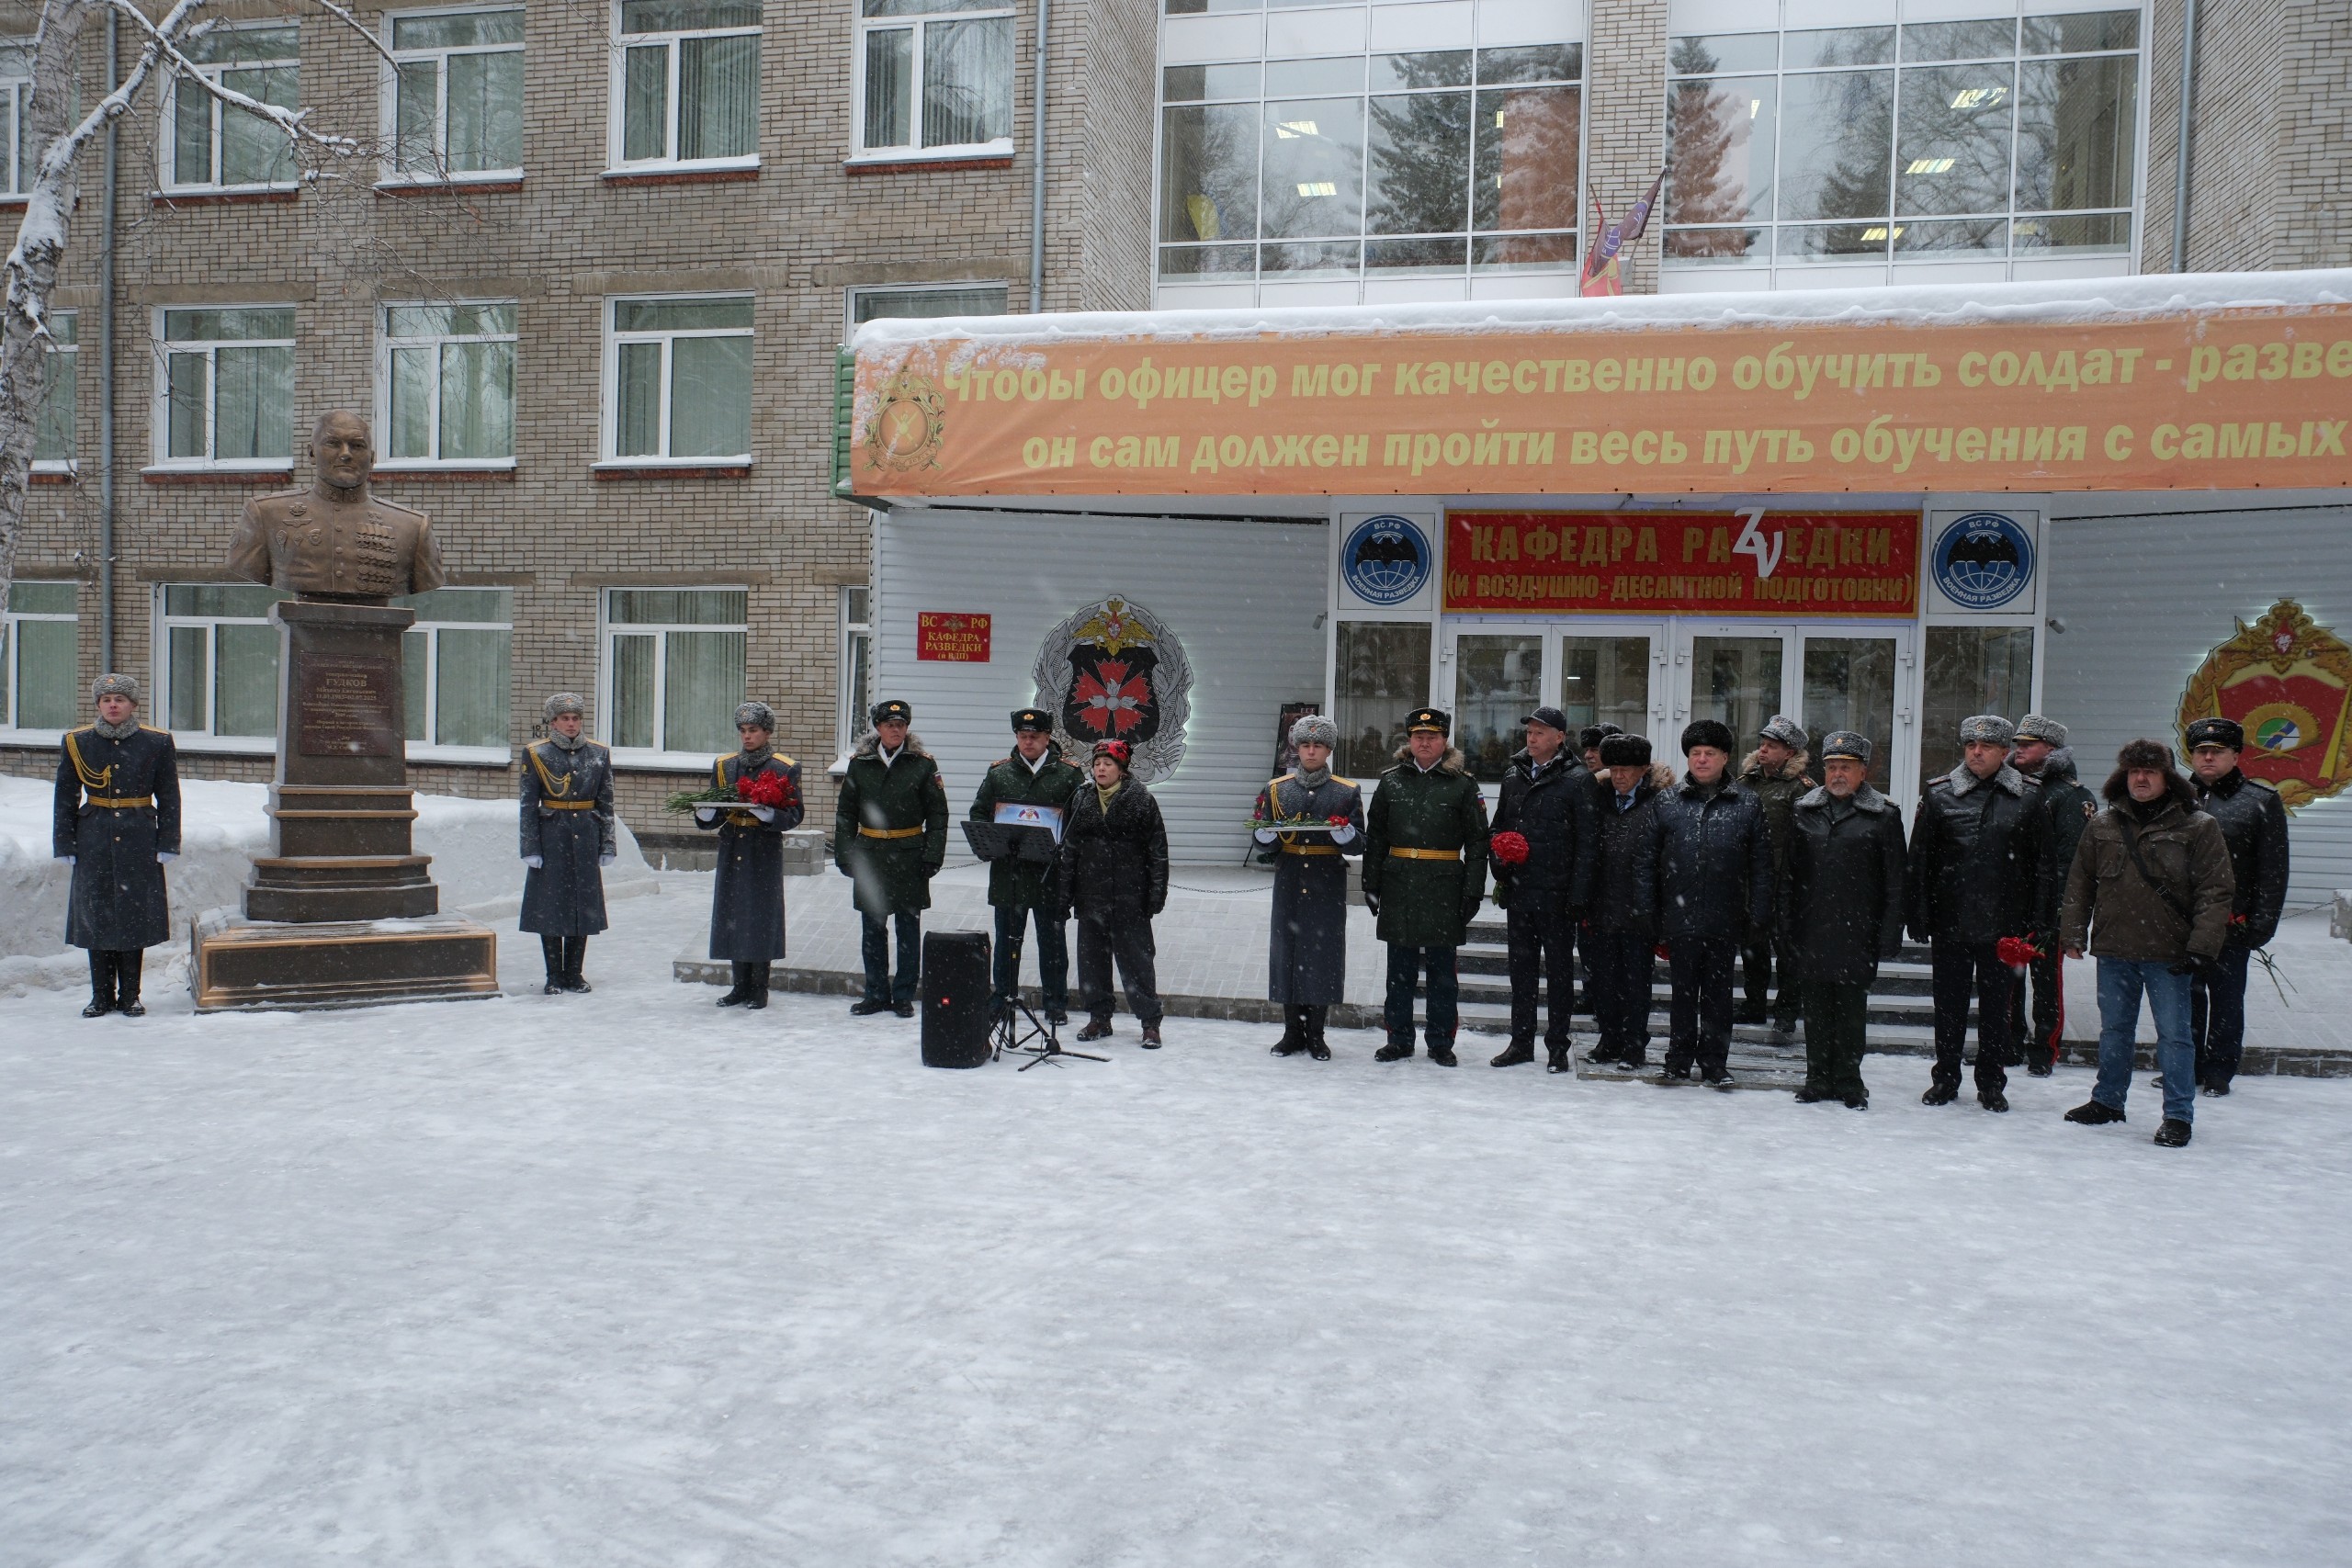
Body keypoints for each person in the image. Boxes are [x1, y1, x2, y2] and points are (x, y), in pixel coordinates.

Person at [2060, 739, 2235, 1148]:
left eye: (2150, 771)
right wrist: (2073, 933)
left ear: (2168, 778)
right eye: (2134, 771)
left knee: (2175, 1036)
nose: (2140, 778)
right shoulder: (2102, 824)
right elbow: (2080, 883)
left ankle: (2177, 1115)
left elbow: (2216, 891)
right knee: (2114, 1031)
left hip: (2170, 953)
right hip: (2114, 949)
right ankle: (2107, 1101)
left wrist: (2202, 946)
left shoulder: (2198, 825)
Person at [1906, 715, 2041, 1111]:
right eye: (1970, 746)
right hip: (1951, 919)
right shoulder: (1940, 794)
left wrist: (2039, 919)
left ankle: (1992, 1082)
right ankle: (1945, 1077)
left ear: (2004, 753)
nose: (1976, 753)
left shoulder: (2028, 796)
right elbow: (1921, 860)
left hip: (2005, 923)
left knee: (1997, 1010)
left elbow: (2042, 864)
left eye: (1986, 747)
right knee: (1949, 1006)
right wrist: (1918, 914)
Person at [1782, 731, 1906, 1109]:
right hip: (1812, 928)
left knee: (1852, 1012)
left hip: (1859, 930)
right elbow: (1789, 875)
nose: (1838, 774)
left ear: (1862, 772)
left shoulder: (1883, 816)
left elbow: (1895, 880)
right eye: (1832, 767)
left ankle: (1850, 1081)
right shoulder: (1804, 811)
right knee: (1816, 1010)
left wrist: (1890, 931)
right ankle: (1817, 1078)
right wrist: (1784, 924)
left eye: (1846, 767)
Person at [1362, 707, 1490, 1066]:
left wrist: (1473, 891)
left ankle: (1440, 1042)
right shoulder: (1392, 781)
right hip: (1399, 885)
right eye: (1418, 736)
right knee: (1399, 973)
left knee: (1442, 975)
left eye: (1432, 737)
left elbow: (1478, 842)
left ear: (1445, 741)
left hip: (1444, 888)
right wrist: (1370, 883)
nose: (1425, 743)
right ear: (1409, 740)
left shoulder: (1463, 784)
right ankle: (1399, 1039)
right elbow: (1376, 836)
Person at [1649, 719, 1771, 1086]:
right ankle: (1678, 1060)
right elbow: (1647, 861)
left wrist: (1759, 913)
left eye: (1710, 753)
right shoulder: (1667, 801)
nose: (1702, 760)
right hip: (1680, 915)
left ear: (1725, 758)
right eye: (1695, 753)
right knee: (1683, 994)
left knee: (1719, 995)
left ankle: (1715, 1063)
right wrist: (1649, 909)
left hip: (1725, 915)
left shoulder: (1747, 803)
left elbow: (1761, 866)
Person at [52, 674, 181, 1018]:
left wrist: (168, 840)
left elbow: (169, 794)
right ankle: (100, 996)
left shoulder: (157, 742)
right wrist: (64, 842)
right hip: (93, 837)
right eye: (106, 699)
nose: (112, 705)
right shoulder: (77, 741)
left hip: (140, 837)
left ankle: (130, 996)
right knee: (97, 917)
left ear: (133, 705)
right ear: (98, 704)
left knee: (133, 918)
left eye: (120, 699)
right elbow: (65, 795)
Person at [1487, 705, 1599, 1071]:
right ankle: (1520, 1043)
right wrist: (1500, 860)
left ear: (1559, 738)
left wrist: (1579, 895)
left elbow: (1588, 843)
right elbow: (1498, 827)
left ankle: (1557, 1046)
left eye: (1539, 733)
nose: (1531, 739)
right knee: (1521, 973)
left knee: (1560, 974)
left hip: (1558, 896)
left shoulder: (1578, 780)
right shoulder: (1513, 775)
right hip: (1520, 891)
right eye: (1529, 732)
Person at [2184, 716, 2290, 1096]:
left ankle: (2219, 1070)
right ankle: (2187, 1066)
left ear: (2236, 755)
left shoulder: (2259, 801)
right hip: (2182, 920)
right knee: (2185, 998)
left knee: (2226, 1000)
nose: (2208, 757)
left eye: (2217, 751)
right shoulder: (2177, 798)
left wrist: (2262, 923)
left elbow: (2273, 869)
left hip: (2233, 921)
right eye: (2201, 750)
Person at [1252, 714, 1365, 1061]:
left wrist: (1347, 836)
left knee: (1322, 956)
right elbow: (1264, 839)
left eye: (1318, 745)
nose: (1311, 751)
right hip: (1289, 880)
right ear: (1297, 749)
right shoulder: (1276, 788)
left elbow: (1360, 842)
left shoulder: (1346, 790)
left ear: (1329, 750)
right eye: (1305, 745)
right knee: (1286, 954)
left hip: (1325, 881)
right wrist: (1264, 837)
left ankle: (1316, 1033)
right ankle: (1291, 1032)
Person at [969, 708, 1085, 1025]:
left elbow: (1079, 822)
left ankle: (1056, 1003)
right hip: (1010, 873)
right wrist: (989, 843)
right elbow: (979, 813)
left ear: (1047, 737)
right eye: (1023, 736)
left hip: (1050, 875)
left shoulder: (1068, 774)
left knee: (1052, 944)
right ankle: (1003, 997)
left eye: (1034, 736)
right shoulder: (999, 773)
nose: (1028, 741)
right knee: (1007, 942)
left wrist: (1066, 851)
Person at [834, 699, 949, 1018]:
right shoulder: (861, 764)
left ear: (907, 728)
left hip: (910, 854)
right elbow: (846, 813)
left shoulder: (923, 764)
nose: (895, 730)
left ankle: (903, 995)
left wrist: (932, 855)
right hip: (870, 855)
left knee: (907, 929)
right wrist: (845, 854)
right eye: (889, 725)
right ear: (878, 728)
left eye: (900, 725)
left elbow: (938, 814)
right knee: (872, 928)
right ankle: (875, 993)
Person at [695, 701, 804, 1009]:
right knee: (733, 914)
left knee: (760, 916)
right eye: (742, 730)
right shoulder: (725, 765)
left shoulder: (783, 767)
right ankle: (739, 986)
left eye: (753, 730)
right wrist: (705, 815)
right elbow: (717, 812)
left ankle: (759, 987)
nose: (746, 736)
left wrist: (771, 816)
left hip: (763, 848)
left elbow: (795, 814)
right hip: (733, 845)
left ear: (767, 732)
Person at [1061, 739, 1170, 1046]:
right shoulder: (1081, 798)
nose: (1101, 769)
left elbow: (1157, 851)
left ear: (1121, 769)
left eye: (1107, 764)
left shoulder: (1141, 800)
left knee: (1137, 962)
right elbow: (1070, 850)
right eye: (1097, 764)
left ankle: (1150, 1022)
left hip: (1129, 896)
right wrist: (1064, 894)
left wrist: (1156, 892)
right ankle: (1099, 1018)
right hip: (1091, 895)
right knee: (1092, 962)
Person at [519, 692, 616, 995]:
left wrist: (607, 843)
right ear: (553, 722)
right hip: (552, 835)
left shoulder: (598, 753)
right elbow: (527, 804)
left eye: (575, 718)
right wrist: (530, 847)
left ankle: (574, 973)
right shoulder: (537, 753)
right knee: (551, 907)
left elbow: (606, 802)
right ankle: (554, 975)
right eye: (565, 719)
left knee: (581, 907)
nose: (571, 724)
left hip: (586, 835)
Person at [1583, 733, 1670, 1070]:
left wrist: (1655, 907)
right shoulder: (1599, 798)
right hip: (1602, 905)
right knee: (1603, 980)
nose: (1619, 776)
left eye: (1627, 770)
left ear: (1643, 770)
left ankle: (1634, 1044)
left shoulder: (1658, 803)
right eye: (1614, 769)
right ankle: (1609, 1039)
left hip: (1639, 908)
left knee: (1635, 982)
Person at [2012, 714, 2093, 1075]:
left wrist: (2057, 911)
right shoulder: (2011, 786)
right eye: (2018, 743)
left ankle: (2044, 1051)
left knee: (2046, 984)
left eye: (2028, 744)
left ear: (2051, 749)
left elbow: (2071, 862)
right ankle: (2009, 1044)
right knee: (2008, 981)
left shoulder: (2072, 796)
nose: (2020, 749)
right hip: (2010, 905)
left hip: (2047, 908)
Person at [1736, 715, 1815, 1035]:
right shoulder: (1746, 782)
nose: (1763, 750)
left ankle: (1786, 1011)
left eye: (1772, 746)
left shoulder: (1801, 789)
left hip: (1788, 883)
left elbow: (1809, 840)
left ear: (1789, 753)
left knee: (1787, 951)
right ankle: (1754, 1004)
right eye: (1763, 744)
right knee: (1752, 948)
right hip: (1751, 881)